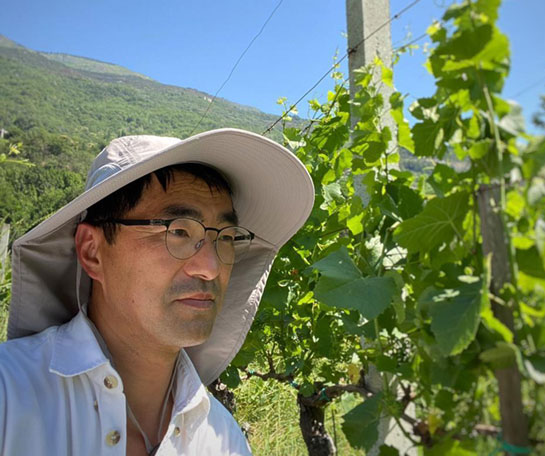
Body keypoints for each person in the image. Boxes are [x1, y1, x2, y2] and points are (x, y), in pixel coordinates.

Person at [0, 128, 314, 455]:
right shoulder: (9, 396)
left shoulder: (222, 439)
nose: (210, 267)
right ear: (92, 251)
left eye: (226, 237)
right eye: (178, 230)